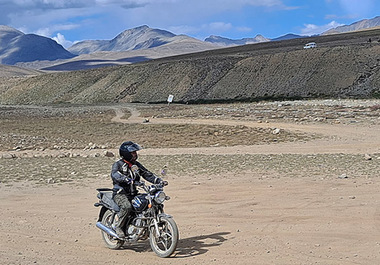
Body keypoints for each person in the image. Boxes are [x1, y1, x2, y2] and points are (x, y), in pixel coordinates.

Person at [110, 141, 164, 238]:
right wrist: (125, 179)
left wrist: (158, 181)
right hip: (120, 194)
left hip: (133, 193)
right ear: (126, 154)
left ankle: (144, 225)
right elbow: (115, 175)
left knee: (148, 202)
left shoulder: (136, 165)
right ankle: (118, 227)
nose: (135, 155)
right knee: (127, 206)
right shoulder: (118, 165)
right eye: (133, 153)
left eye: (135, 152)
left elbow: (147, 174)